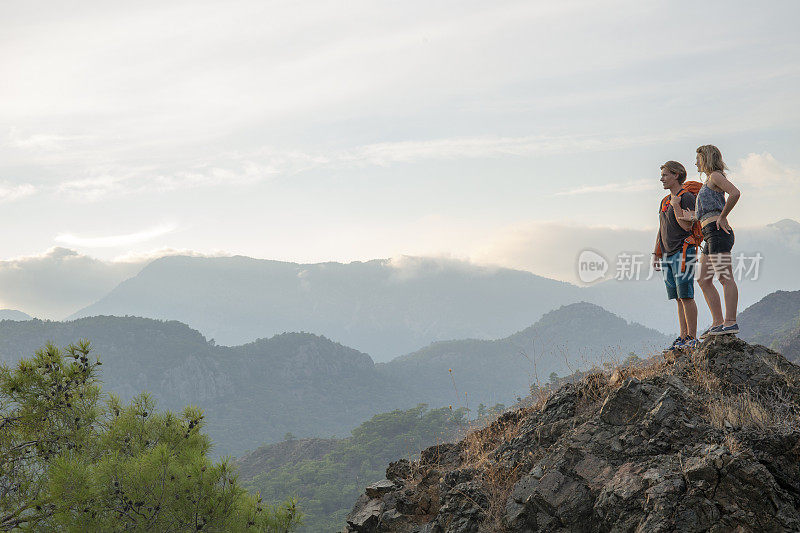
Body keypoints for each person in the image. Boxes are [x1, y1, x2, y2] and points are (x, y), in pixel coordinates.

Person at [694, 145, 741, 337]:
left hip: (718, 231)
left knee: (724, 276)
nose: (696, 162)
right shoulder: (709, 181)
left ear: (705, 158)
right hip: (709, 234)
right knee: (703, 279)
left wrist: (722, 216)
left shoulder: (715, 176)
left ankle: (730, 322)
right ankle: (718, 322)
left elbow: (735, 193)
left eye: (698, 158)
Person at [652, 161, 699, 350]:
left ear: (677, 175)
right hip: (667, 254)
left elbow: (687, 226)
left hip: (683, 251)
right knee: (678, 298)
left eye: (665, 175)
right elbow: (661, 228)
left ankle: (691, 337)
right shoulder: (664, 201)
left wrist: (677, 206)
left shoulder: (686, 198)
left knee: (686, 295)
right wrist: (657, 253)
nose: (661, 178)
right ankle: (682, 336)